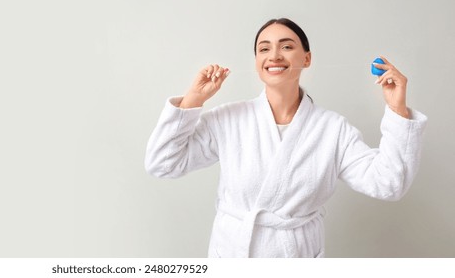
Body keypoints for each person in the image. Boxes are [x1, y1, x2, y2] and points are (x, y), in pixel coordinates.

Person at [144, 18, 427, 258]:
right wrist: (193, 100)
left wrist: (397, 108)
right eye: (264, 49)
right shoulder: (228, 119)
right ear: (257, 61)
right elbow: (162, 164)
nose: (274, 55)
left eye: (287, 46)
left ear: (307, 58)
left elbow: (389, 183)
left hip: (295, 256)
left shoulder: (332, 129)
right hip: (233, 254)